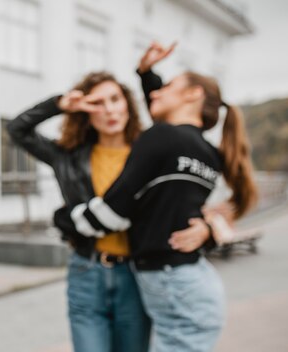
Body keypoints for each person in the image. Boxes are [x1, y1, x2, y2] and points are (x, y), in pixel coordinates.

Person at [55, 42, 258, 352]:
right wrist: (146, 73)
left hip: (171, 280)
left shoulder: (161, 137)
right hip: (193, 280)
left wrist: (64, 218)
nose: (155, 92)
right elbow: (193, 204)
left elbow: (113, 213)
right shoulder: (210, 154)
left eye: (169, 85)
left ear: (193, 95)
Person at [7, 72, 152, 352]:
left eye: (115, 99)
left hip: (136, 275)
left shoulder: (147, 152)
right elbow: (17, 130)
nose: (109, 110)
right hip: (87, 272)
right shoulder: (67, 155)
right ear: (85, 112)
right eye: (98, 103)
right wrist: (59, 104)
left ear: (128, 104)